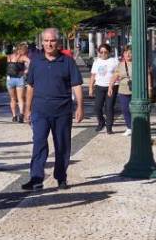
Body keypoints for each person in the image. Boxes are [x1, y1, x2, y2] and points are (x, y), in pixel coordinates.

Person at [22, 28, 85, 191]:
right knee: (39, 143)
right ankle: (36, 178)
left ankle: (61, 177)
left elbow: (76, 85)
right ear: (42, 42)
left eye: (52, 41)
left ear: (58, 42)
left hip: (62, 111)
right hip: (40, 110)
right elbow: (30, 86)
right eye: (46, 41)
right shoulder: (36, 61)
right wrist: (27, 109)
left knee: (62, 145)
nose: (49, 44)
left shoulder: (68, 62)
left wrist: (80, 106)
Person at [89, 43, 120, 134]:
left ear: (109, 52)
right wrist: (91, 88)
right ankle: (101, 122)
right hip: (99, 86)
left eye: (105, 52)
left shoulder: (114, 61)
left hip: (112, 87)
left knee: (109, 107)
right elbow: (93, 75)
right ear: (98, 52)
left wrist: (114, 83)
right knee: (97, 107)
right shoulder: (96, 61)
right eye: (101, 52)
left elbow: (118, 74)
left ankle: (109, 127)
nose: (103, 54)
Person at [6, 43, 29, 122]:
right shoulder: (23, 57)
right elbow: (32, 63)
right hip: (19, 78)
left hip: (10, 79)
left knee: (12, 99)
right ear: (23, 50)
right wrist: (26, 71)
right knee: (20, 98)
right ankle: (21, 115)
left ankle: (14, 116)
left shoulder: (9, 56)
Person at [116, 48, 134, 136]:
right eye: (126, 53)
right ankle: (129, 127)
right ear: (123, 54)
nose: (128, 55)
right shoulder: (120, 65)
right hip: (123, 90)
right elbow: (115, 75)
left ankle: (136, 126)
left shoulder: (137, 63)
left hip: (135, 90)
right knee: (125, 109)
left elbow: (148, 74)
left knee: (135, 109)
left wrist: (149, 87)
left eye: (130, 53)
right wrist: (110, 86)